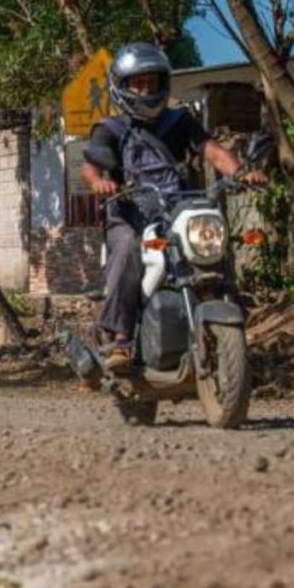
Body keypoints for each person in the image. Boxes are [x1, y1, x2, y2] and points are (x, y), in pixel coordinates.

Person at [81, 42, 265, 374]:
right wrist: (99, 183)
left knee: (211, 243)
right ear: (122, 87)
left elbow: (212, 151)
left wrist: (240, 173)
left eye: (151, 82)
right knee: (127, 249)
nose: (145, 89)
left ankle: (226, 317)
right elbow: (91, 166)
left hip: (177, 208)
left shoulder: (180, 121)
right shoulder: (110, 129)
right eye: (138, 83)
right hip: (130, 214)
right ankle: (121, 337)